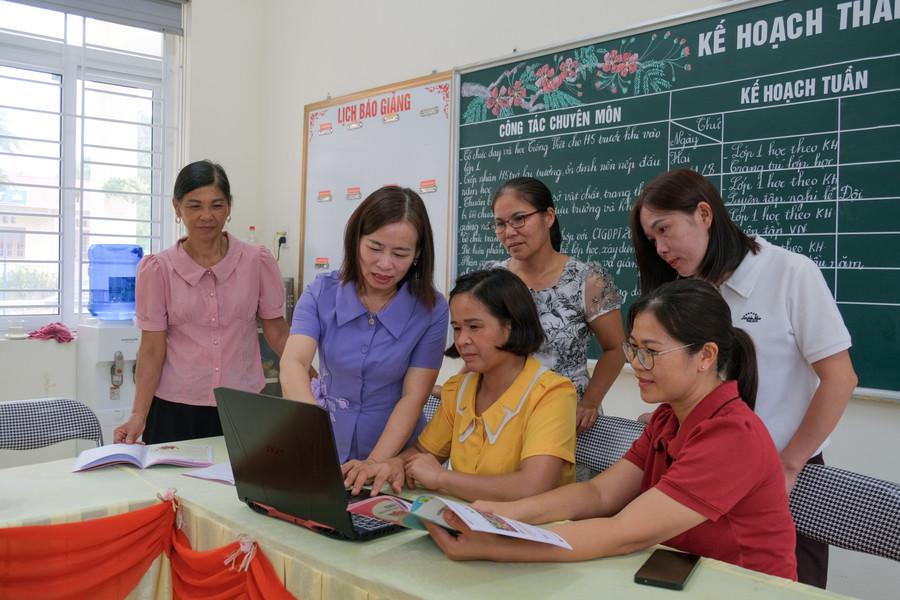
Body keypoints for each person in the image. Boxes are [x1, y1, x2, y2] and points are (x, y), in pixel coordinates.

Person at [423, 279, 798, 581]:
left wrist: (493, 547)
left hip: (739, 586)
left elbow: (625, 532)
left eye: (651, 351)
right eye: (632, 348)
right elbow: (600, 493)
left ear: (705, 356)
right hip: (676, 575)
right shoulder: (669, 418)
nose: (636, 364)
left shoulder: (733, 436)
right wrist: (506, 515)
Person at [630, 168, 858, 587]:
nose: (660, 248)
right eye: (651, 240)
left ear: (703, 214)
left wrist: (790, 463)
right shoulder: (686, 294)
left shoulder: (790, 272)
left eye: (665, 230)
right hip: (702, 472)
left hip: (787, 472)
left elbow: (840, 378)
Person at [354, 269, 577, 501]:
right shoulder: (459, 389)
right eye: (457, 328)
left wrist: (442, 478)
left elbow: (533, 485)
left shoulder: (552, 394)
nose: (461, 340)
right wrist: (393, 464)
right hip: (467, 521)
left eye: (474, 327)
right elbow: (423, 453)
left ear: (511, 326)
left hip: (531, 529)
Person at [280, 186, 449, 490]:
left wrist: (375, 463)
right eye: (374, 247)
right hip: (325, 446)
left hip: (393, 461)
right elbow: (294, 361)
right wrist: (312, 425)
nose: (385, 264)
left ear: (418, 254)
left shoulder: (431, 309)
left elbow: (414, 396)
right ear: (356, 239)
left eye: (400, 254)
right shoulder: (322, 292)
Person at [114, 160, 289, 445]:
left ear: (229, 206)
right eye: (194, 205)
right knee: (172, 490)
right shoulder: (158, 269)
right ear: (177, 207)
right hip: (175, 409)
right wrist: (138, 415)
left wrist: (314, 380)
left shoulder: (257, 262)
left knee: (241, 489)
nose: (206, 216)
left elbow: (278, 333)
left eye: (216, 205)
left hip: (242, 406)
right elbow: (151, 349)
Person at [485, 177, 625, 433]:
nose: (509, 232)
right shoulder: (491, 279)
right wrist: (458, 388)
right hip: (503, 418)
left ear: (548, 217)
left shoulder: (588, 280)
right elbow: (479, 347)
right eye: (500, 224)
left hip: (567, 421)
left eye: (519, 218)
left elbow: (616, 348)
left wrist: (591, 402)